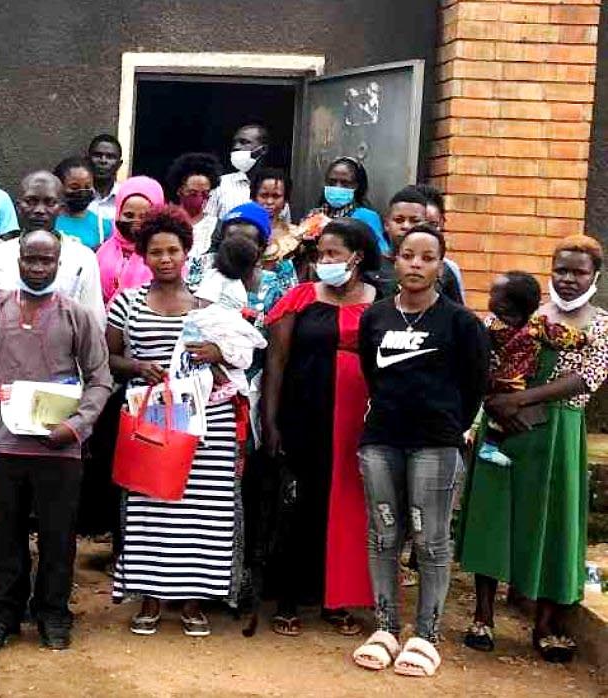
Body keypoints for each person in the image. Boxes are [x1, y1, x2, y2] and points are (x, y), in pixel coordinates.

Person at [0, 229, 112, 653]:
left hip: (59, 449)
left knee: (57, 537)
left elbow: (100, 379)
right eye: (32, 260)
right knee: (2, 535)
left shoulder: (75, 315)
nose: (39, 268)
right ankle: (1, 616)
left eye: (48, 261)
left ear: (59, 264)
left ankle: (53, 613)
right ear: (19, 260)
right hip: (2, 446)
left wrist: (77, 426)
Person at [457, 235, 607, 663]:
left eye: (579, 272)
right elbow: (483, 360)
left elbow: (587, 377)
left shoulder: (601, 324)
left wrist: (520, 400)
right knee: (493, 515)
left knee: (551, 523)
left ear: (595, 274)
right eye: (562, 270)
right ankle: (482, 616)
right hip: (504, 426)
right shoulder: (525, 312)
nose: (569, 279)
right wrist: (494, 402)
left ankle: (543, 625)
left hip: (557, 431)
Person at [352, 224, 487, 676]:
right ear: (395, 259)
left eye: (428, 258)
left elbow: (473, 386)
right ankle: (386, 628)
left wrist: (450, 427)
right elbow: (373, 375)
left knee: (431, 540)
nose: (416, 264)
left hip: (436, 444)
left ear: (441, 266)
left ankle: (426, 635)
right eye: (409, 255)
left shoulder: (461, 323)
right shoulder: (375, 317)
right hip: (381, 441)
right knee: (383, 534)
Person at [107, 205, 243, 637]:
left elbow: (240, 357)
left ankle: (192, 602)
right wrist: (135, 366)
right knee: (151, 507)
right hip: (152, 418)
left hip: (207, 423)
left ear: (187, 252)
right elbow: (106, 357)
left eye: (173, 250)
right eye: (155, 252)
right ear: (142, 256)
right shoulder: (125, 303)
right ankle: (149, 598)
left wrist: (217, 353)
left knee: (203, 512)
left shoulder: (211, 307)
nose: (165, 259)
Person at [260, 217, 381, 637]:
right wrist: (270, 420)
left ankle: (338, 599)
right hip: (303, 415)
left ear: (358, 257)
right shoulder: (299, 298)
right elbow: (275, 363)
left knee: (347, 508)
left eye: (333, 254)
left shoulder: (380, 301)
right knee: (298, 506)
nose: (323, 261)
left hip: (357, 422)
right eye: (320, 253)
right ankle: (289, 598)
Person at [473, 272, 582, 468]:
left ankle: (491, 446)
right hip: (503, 382)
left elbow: (560, 335)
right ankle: (489, 447)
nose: (489, 297)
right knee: (502, 411)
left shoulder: (535, 326)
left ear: (505, 304)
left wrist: (580, 339)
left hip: (516, 386)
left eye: (493, 294)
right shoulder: (490, 325)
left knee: (512, 411)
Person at [0, 171, 105, 326]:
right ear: (18, 207)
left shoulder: (83, 258)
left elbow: (94, 323)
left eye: (50, 202)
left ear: (61, 208)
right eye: (31, 201)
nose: (39, 210)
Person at [374, 186, 463, 304]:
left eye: (414, 220)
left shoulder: (442, 269)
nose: (406, 226)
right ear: (386, 224)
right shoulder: (371, 266)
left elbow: (458, 315)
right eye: (399, 220)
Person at [96, 176, 167, 304]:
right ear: (118, 213)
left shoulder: (166, 257)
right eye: (129, 215)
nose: (136, 222)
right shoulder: (102, 253)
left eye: (145, 216)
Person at [300, 157, 384, 254]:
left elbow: (380, 254)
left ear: (356, 186)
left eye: (345, 183)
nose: (337, 187)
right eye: (332, 182)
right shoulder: (314, 216)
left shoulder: (367, 217)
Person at [208, 123, 289, 222]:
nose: (236, 147)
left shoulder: (278, 188)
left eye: (244, 142)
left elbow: (284, 231)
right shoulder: (220, 184)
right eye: (235, 143)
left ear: (263, 150)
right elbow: (208, 225)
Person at [413, 183, 466, 304]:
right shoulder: (381, 266)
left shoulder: (449, 269)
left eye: (432, 224)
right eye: (418, 223)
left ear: (442, 222)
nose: (426, 231)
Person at [164, 152, 222, 256]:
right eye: (193, 194)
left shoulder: (217, 227)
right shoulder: (164, 222)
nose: (200, 198)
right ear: (179, 190)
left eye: (205, 194)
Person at [251, 168, 303, 276]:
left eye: (276, 196)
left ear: (285, 200)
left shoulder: (295, 234)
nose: (269, 202)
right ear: (253, 197)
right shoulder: (242, 231)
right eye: (264, 195)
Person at [53, 157, 106, 249]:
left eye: (87, 186)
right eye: (74, 187)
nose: (82, 192)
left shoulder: (103, 225)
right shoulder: (48, 221)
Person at [86, 134, 124, 223]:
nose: (103, 161)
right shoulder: (78, 197)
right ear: (87, 160)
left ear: (119, 164)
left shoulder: (125, 198)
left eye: (110, 157)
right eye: (97, 155)